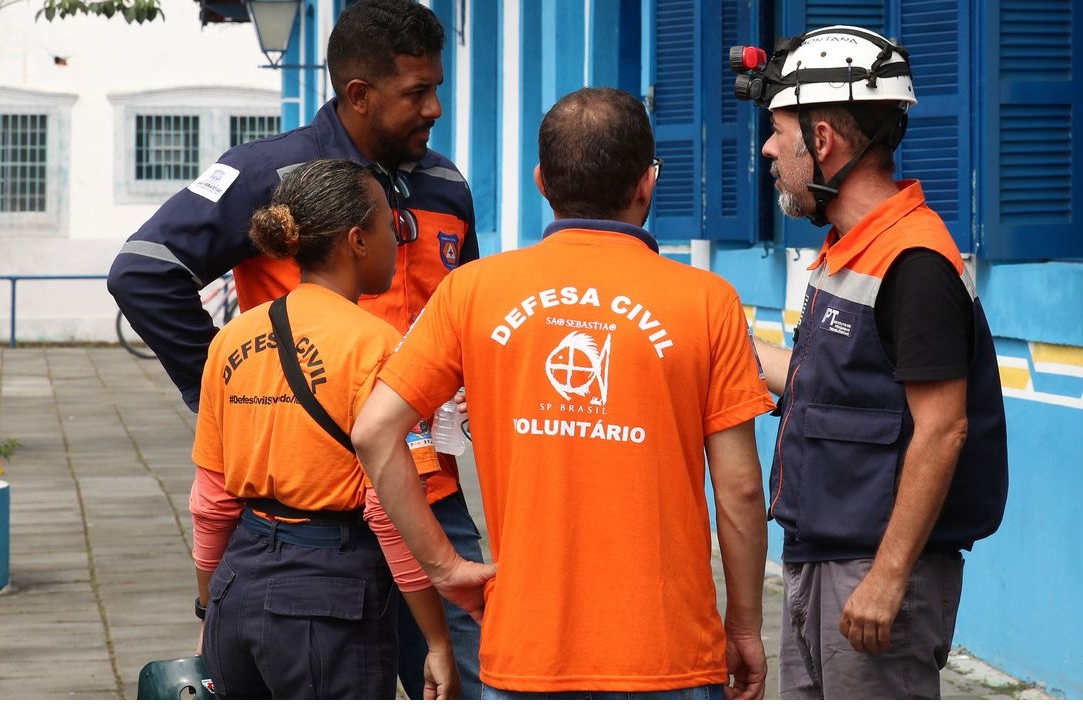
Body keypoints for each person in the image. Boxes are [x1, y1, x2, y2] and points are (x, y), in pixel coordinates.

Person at [105, 0, 485, 697]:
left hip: (426, 491)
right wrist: (223, 396)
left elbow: (460, 322)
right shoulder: (265, 175)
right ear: (359, 95)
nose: (434, 108)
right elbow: (143, 271)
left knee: (477, 682)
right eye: (416, 93)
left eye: (438, 87)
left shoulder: (446, 184)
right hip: (308, 510)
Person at [352, 87, 774, 699]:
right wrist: (744, 625)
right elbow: (739, 489)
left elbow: (373, 431)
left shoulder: (472, 292)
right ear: (646, 184)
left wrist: (445, 568)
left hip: (526, 651)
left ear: (540, 180)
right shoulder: (707, 303)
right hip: (668, 652)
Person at [732, 25, 1009, 699]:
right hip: (820, 559)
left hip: (875, 574)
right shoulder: (849, 249)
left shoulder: (913, 264)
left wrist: (887, 579)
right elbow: (816, 382)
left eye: (778, 131)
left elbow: (942, 430)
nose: (769, 149)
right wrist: (706, 336)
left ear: (822, 140)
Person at [190, 158, 458, 699]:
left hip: (235, 589)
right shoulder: (380, 348)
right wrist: (436, 640)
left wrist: (208, 607)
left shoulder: (230, 339)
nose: (398, 239)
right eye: (390, 226)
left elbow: (212, 500)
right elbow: (390, 512)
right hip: (327, 601)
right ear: (357, 240)